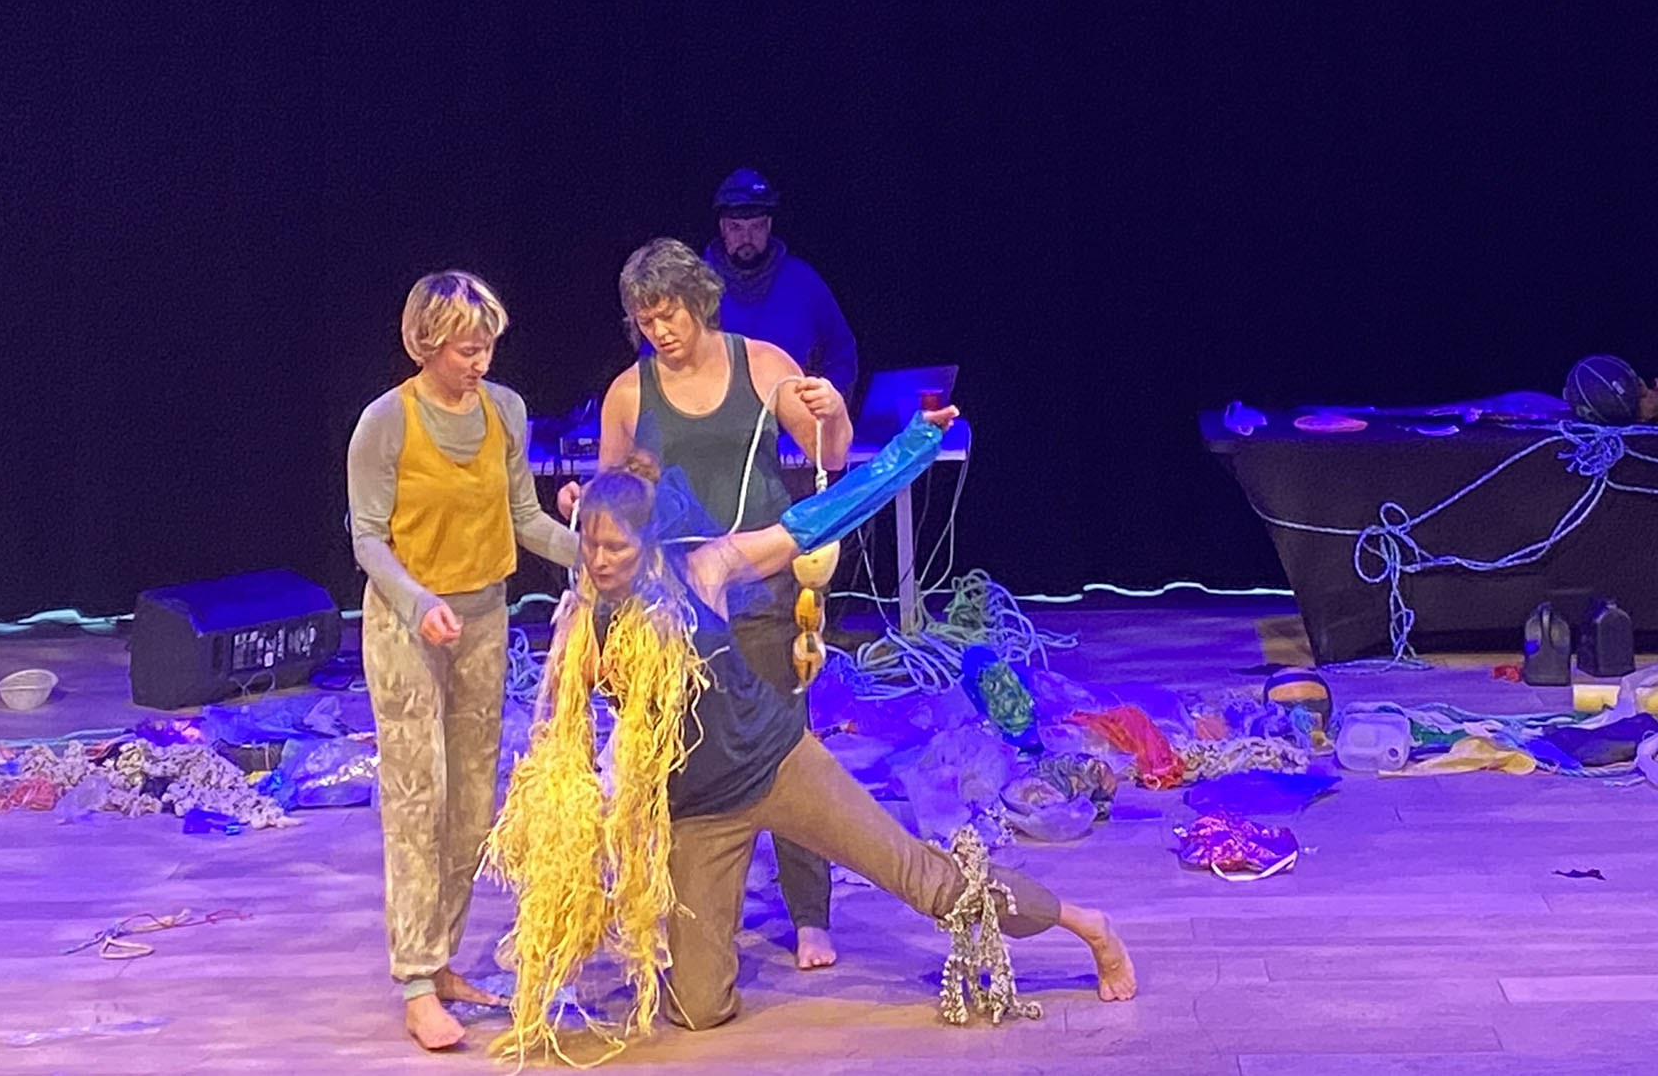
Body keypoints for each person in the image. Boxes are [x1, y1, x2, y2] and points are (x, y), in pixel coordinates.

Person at [489, 407, 1133, 1060]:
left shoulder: (702, 572)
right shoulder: (582, 621)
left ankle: (1086, 924)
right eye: (590, 545)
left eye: (616, 547)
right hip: (699, 812)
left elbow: (815, 521)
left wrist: (912, 446)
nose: (598, 560)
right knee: (697, 1007)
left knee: (925, 880)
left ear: (651, 542)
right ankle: (712, 930)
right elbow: (564, 741)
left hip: (778, 764)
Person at [558, 236, 853, 970]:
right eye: (645, 319)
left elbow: (833, 454)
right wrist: (583, 503)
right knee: (668, 759)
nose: (660, 330)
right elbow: (617, 501)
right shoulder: (631, 392)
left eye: (670, 314)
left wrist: (834, 410)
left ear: (700, 302)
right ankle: (673, 911)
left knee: (786, 748)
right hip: (669, 606)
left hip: (760, 592)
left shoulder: (763, 364)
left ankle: (810, 914)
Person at [346, 270, 577, 1050]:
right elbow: (368, 538)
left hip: (483, 618)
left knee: (474, 802)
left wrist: (596, 552)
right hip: (410, 624)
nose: (479, 361)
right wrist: (419, 602)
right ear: (425, 343)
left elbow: (524, 518)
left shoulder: (504, 410)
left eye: (485, 346)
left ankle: (443, 955)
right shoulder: (386, 422)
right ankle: (415, 977)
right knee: (421, 796)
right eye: (464, 348)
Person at [703, 167, 858, 392]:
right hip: (709, 420)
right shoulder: (692, 285)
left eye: (756, 227)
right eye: (736, 228)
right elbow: (656, 361)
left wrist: (824, 410)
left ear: (769, 226)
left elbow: (841, 354)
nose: (746, 238)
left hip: (790, 417)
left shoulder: (803, 282)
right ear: (722, 228)